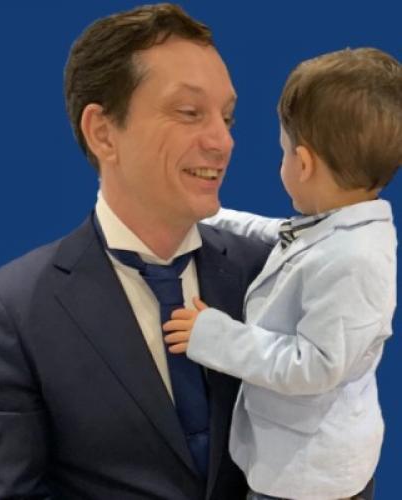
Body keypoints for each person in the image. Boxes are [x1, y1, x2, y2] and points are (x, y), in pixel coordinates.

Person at [0, 4, 271, 499]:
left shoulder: (268, 272)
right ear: (103, 132)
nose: (222, 141)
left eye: (227, 117)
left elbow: (338, 446)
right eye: (190, 113)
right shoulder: (15, 310)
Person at [163, 47, 402, 500]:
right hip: (297, 459)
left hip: (311, 481)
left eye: (284, 152)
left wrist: (213, 335)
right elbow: (283, 235)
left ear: (304, 163)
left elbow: (313, 366)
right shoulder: (340, 224)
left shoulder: (354, 260)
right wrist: (214, 216)